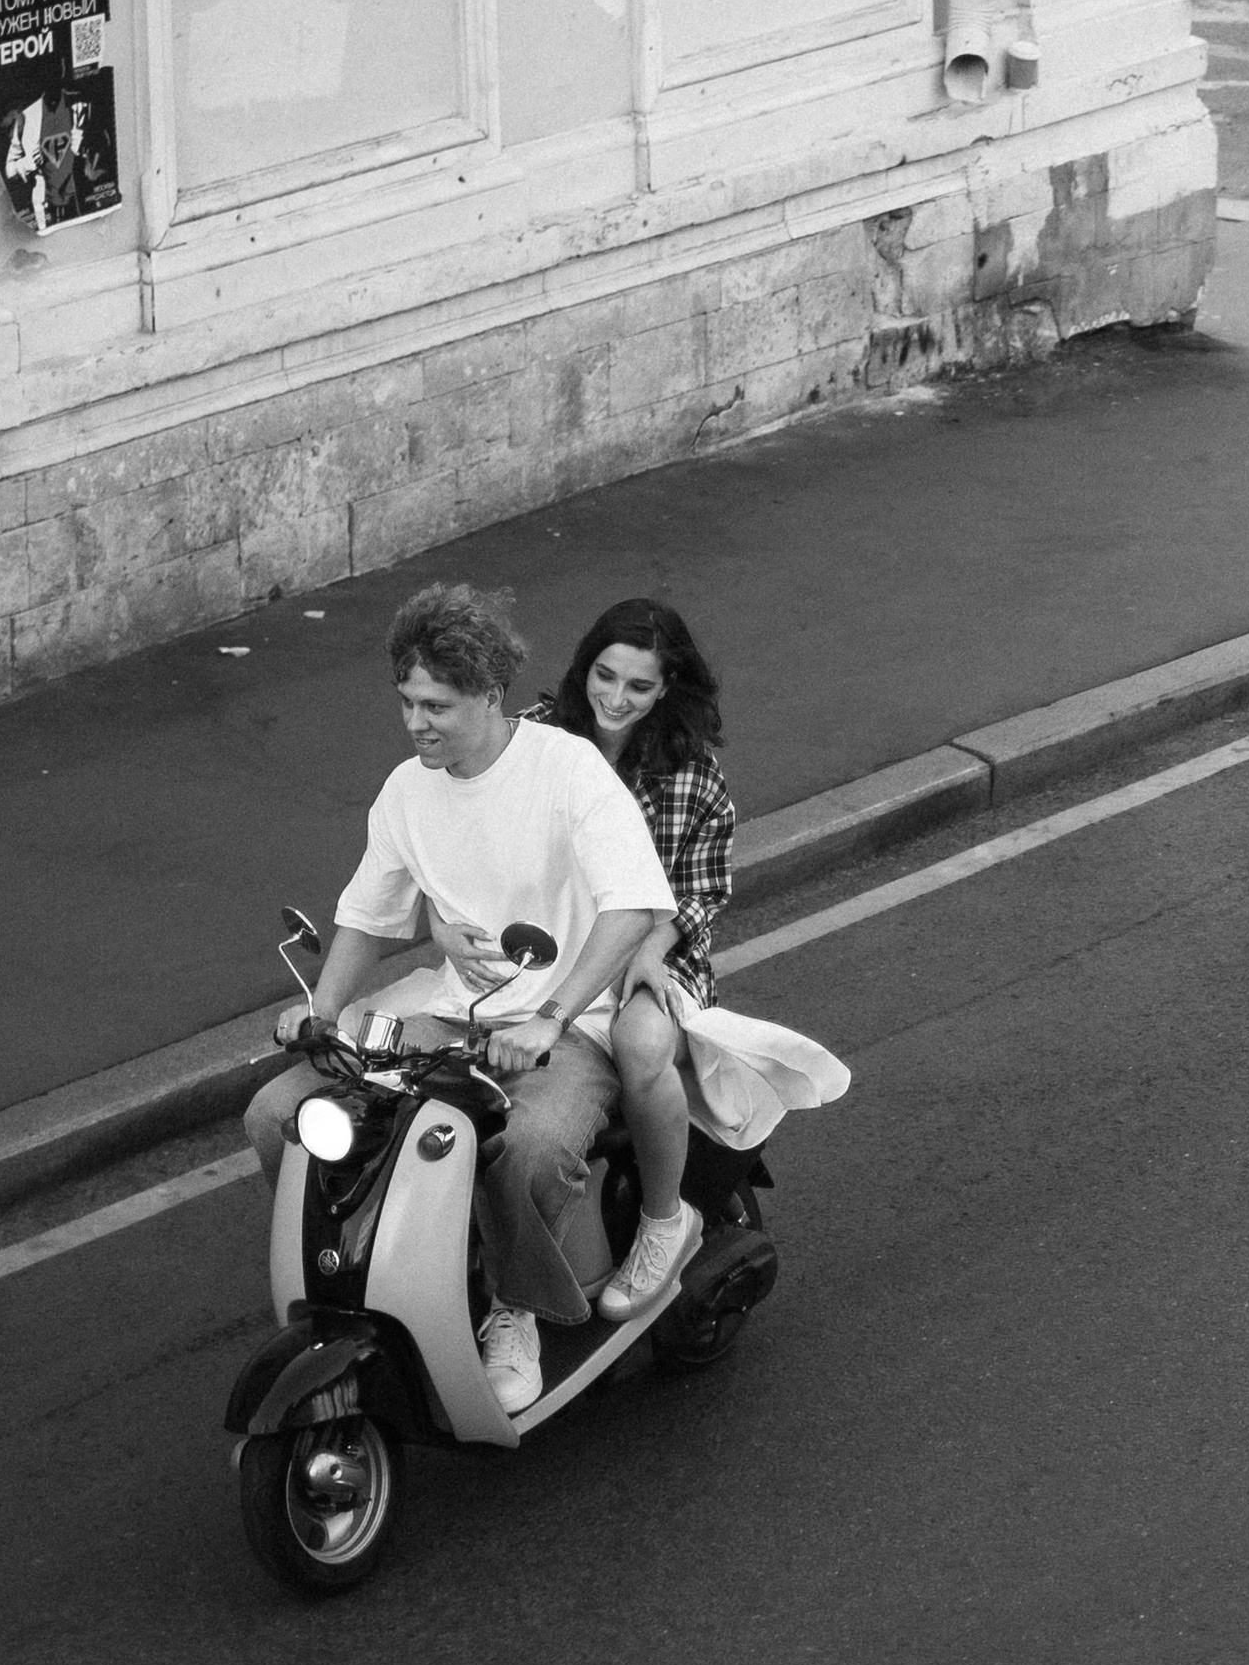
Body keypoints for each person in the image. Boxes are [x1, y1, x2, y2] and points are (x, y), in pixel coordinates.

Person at [242, 580, 680, 1416]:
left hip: (566, 1026)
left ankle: (513, 1310)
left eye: (437, 705)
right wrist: (323, 1013)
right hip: (451, 1016)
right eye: (407, 702)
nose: (416, 724)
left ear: (489, 693)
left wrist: (552, 1017)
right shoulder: (408, 790)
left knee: (534, 1145)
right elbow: (364, 916)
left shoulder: (565, 769)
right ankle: (367, 1269)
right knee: (277, 1113)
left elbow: (631, 904)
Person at [530, 593, 848, 1320]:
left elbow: (702, 890)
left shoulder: (692, 773)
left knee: (639, 1043)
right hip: (545, 944)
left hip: (652, 949)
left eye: (638, 686)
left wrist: (650, 946)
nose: (615, 698)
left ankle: (661, 1224)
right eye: (604, 676)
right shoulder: (535, 740)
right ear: (585, 668)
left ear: (667, 687)